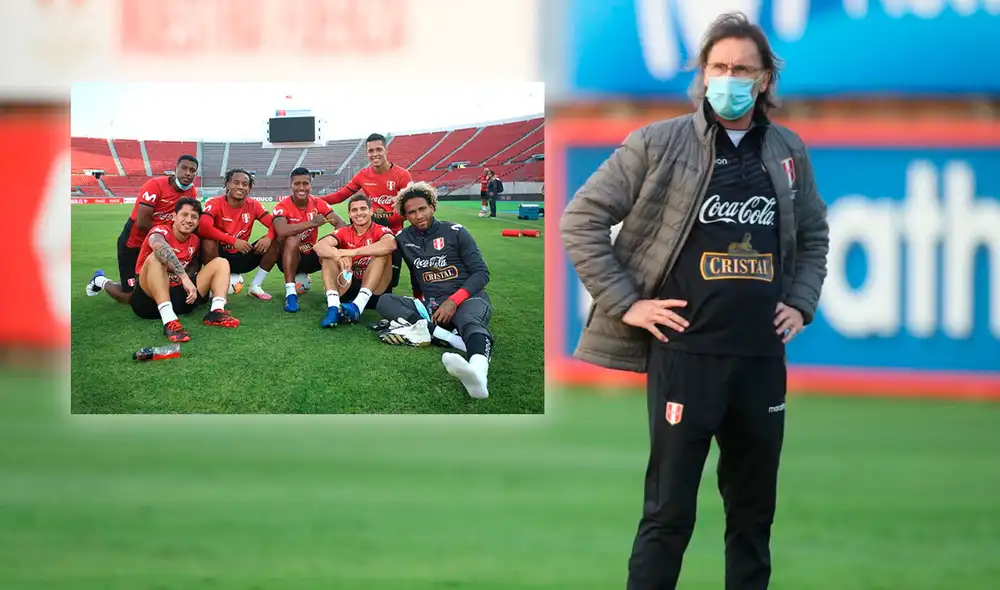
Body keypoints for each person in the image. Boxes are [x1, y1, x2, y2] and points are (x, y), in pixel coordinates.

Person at [559, 12, 830, 590]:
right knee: (668, 514)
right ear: (703, 73)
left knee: (754, 518)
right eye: (719, 67)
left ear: (763, 81)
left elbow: (813, 235)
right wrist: (626, 303)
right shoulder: (658, 143)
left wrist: (802, 302)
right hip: (685, 358)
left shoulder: (787, 150)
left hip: (760, 358)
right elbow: (581, 219)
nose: (729, 78)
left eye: (742, 69)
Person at [375, 182, 494, 400]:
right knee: (385, 302)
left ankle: (478, 374)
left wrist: (453, 301)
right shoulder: (403, 238)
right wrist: (419, 301)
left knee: (470, 322)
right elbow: (415, 274)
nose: (418, 215)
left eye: (422, 209)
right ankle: (453, 340)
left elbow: (481, 273)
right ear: (406, 215)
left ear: (433, 207)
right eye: (411, 212)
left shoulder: (456, 232)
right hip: (432, 306)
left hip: (466, 299)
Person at [86, 154, 199, 304]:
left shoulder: (191, 192)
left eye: (192, 170)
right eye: (184, 168)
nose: (188, 173)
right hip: (134, 244)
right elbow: (142, 223)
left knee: (153, 289)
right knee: (129, 297)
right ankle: (100, 280)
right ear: (175, 169)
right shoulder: (155, 185)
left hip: (158, 245)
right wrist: (167, 242)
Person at [128, 198, 240, 343]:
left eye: (194, 217)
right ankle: (169, 321)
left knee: (221, 263)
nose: (189, 220)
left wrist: (191, 279)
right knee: (156, 257)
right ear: (174, 216)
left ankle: (216, 312)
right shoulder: (161, 231)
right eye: (184, 215)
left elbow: (194, 264)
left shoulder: (194, 239)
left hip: (179, 297)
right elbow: (158, 246)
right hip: (149, 301)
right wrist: (184, 278)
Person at [320, 133, 412, 291]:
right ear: (367, 153)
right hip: (366, 229)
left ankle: (419, 298)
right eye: (371, 151)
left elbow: (409, 207)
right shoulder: (363, 175)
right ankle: (346, 289)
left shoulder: (402, 175)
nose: (375, 154)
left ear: (386, 150)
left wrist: (385, 217)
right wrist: (316, 200)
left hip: (393, 231)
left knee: (394, 279)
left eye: (378, 149)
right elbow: (341, 195)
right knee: (337, 254)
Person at [312, 195, 396, 327]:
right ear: (349, 214)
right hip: (347, 285)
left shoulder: (380, 230)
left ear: (371, 211)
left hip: (374, 291)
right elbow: (319, 246)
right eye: (354, 210)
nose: (359, 213)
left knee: (382, 254)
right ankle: (333, 308)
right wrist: (338, 256)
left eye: (363, 208)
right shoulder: (344, 231)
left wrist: (351, 252)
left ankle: (357, 306)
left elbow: (390, 244)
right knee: (327, 257)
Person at [272, 167, 347, 312]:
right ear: (291, 185)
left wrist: (328, 240)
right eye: (297, 184)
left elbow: (341, 224)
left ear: (310, 185)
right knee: (292, 239)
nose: (301, 188)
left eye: (305, 184)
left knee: (332, 242)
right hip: (290, 257)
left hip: (311, 254)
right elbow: (281, 231)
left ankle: (336, 288)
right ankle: (290, 293)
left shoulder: (318, 203)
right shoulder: (283, 206)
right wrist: (312, 223)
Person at [198, 168, 281, 300]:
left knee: (276, 241)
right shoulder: (215, 203)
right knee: (208, 242)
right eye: (236, 182)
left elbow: (276, 225)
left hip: (243, 255)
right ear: (227, 184)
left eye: (245, 184)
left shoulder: (254, 205)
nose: (240, 187)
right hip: (219, 257)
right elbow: (203, 227)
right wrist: (233, 241)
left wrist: (268, 237)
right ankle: (213, 287)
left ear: (249, 188)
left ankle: (255, 286)